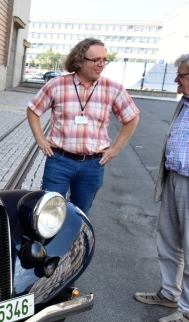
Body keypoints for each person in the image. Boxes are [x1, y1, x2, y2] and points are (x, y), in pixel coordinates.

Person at [26, 38, 139, 215]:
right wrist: (41, 139)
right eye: (96, 60)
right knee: (48, 212)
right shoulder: (57, 85)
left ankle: (73, 243)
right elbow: (33, 110)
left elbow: (132, 118)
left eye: (104, 60)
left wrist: (116, 148)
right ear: (79, 61)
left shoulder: (113, 88)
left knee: (80, 214)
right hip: (59, 161)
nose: (101, 64)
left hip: (92, 165)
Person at [135, 54, 189, 322]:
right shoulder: (185, 104)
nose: (177, 81)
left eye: (181, 75)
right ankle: (169, 293)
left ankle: (187, 311)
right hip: (175, 178)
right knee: (169, 239)